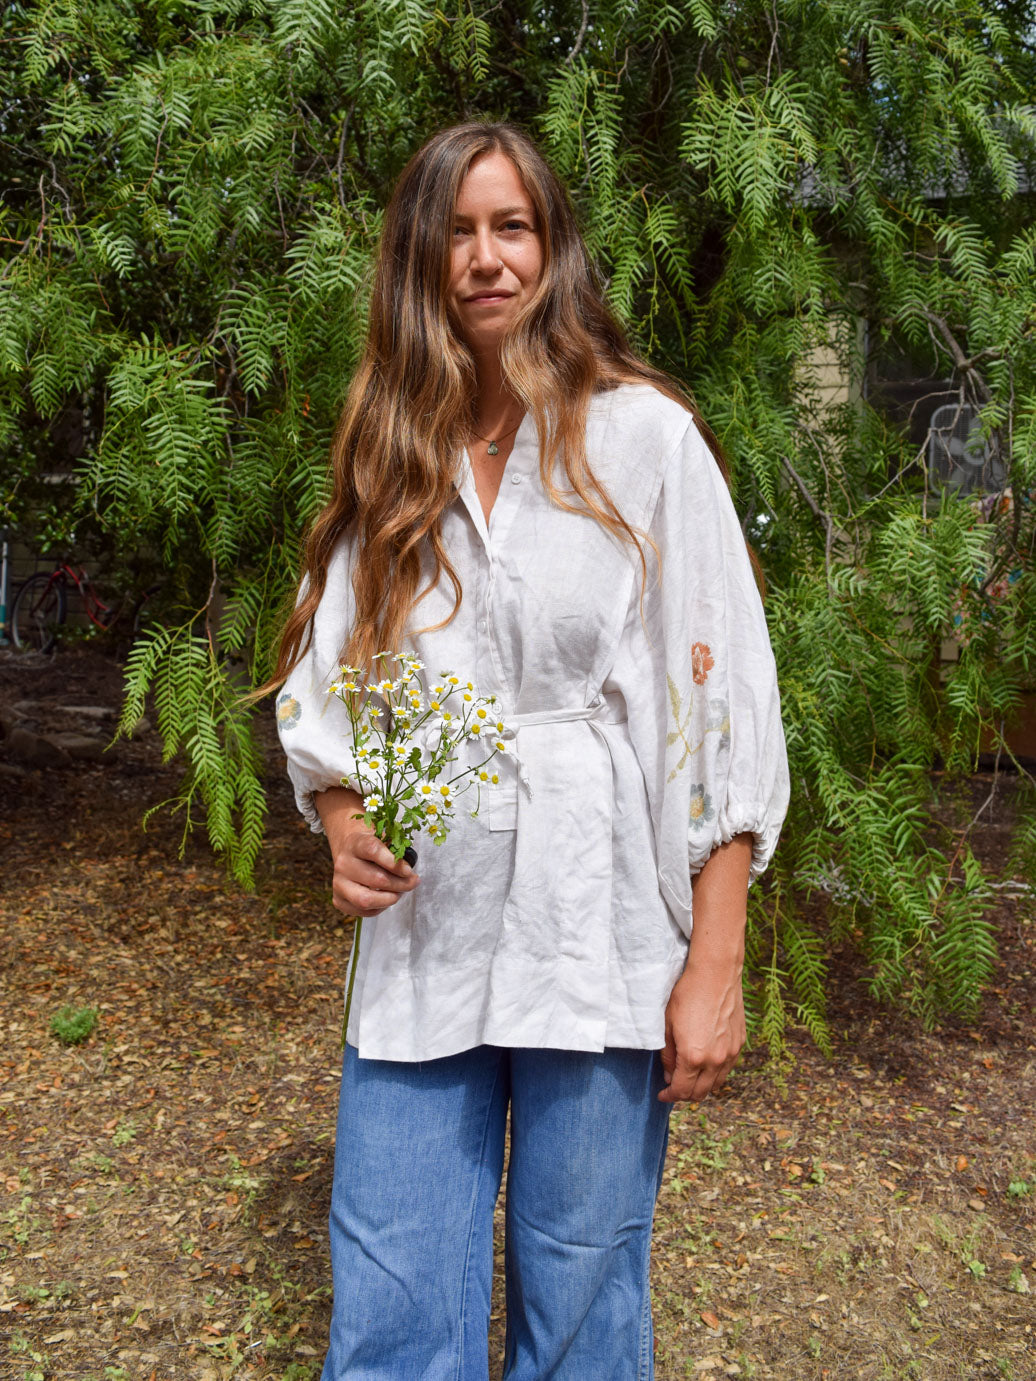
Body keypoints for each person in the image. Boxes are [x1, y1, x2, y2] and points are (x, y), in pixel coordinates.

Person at [273, 121, 789, 1381]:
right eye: (457, 230)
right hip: (424, 946)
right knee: (393, 1310)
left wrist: (712, 962)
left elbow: (716, 714)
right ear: (418, 257)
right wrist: (344, 826)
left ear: (552, 252)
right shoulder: (392, 452)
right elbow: (334, 685)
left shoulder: (643, 442)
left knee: (581, 1306)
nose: (486, 257)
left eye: (513, 227)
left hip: (597, 929)